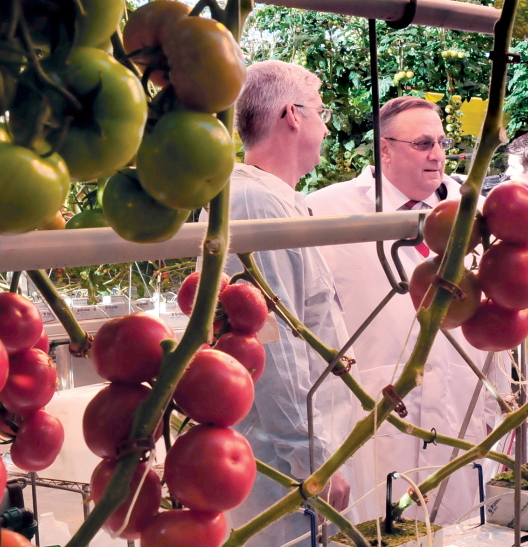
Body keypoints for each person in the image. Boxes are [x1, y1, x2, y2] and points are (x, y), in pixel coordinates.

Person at [306, 96, 491, 526]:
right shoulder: (328, 211)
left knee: (466, 529)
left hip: (463, 409)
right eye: (423, 143)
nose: (438, 154)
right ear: (384, 149)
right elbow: (314, 324)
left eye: (442, 142)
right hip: (377, 412)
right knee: (387, 529)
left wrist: (495, 409)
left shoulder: (477, 211)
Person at [212, 60, 353, 546]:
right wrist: (312, 459)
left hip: (294, 451)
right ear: (293, 115)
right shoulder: (256, 204)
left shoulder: (277, 199)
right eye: (322, 112)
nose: (326, 124)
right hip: (283, 466)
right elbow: (274, 345)